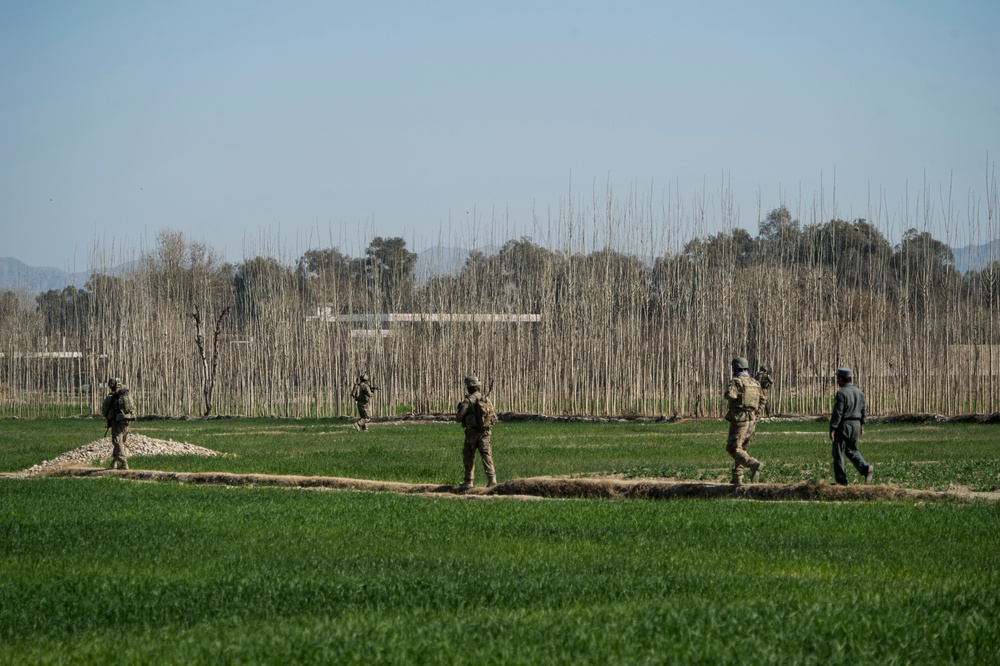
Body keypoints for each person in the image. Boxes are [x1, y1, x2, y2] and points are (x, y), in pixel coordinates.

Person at [829, 367, 873, 485]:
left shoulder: (841, 393)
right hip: (856, 425)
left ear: (841, 379)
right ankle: (865, 469)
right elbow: (864, 411)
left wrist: (833, 428)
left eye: (838, 379)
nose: (837, 381)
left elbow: (838, 413)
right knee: (851, 449)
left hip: (844, 425)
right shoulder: (859, 392)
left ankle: (841, 481)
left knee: (838, 452)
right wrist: (861, 425)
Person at [724, 357, 764, 485]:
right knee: (742, 449)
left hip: (740, 419)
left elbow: (731, 395)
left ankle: (753, 464)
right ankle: (737, 477)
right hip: (752, 420)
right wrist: (756, 414)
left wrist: (728, 396)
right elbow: (763, 400)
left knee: (734, 448)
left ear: (735, 369)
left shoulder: (736, 382)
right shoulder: (755, 383)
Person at [455, 376, 497, 489]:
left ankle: (468, 481)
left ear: (468, 387)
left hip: (472, 434)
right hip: (485, 433)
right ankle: (492, 480)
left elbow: (459, 417)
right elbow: (494, 417)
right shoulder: (486, 400)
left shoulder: (468, 401)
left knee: (469, 456)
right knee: (486, 456)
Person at [100, 377, 135, 470]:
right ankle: (114, 463)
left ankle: (124, 462)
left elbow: (105, 410)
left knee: (117, 441)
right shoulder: (126, 393)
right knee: (121, 440)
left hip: (117, 421)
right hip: (128, 420)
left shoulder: (113, 396)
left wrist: (109, 418)